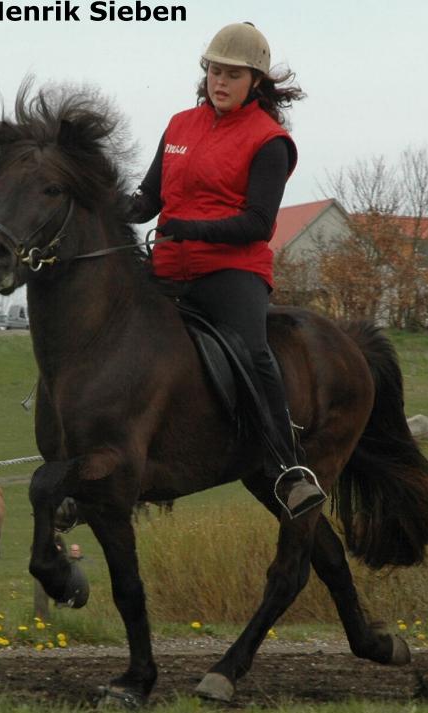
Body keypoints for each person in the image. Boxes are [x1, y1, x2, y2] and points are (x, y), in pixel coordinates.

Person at [126, 22, 326, 518]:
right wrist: (102, 203)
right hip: (169, 267)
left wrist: (191, 229)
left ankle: (288, 468)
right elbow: (148, 200)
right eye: (214, 71)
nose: (220, 81)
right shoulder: (178, 126)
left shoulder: (270, 141)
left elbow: (258, 224)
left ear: (255, 81)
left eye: (232, 74)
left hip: (232, 271)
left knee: (253, 351)